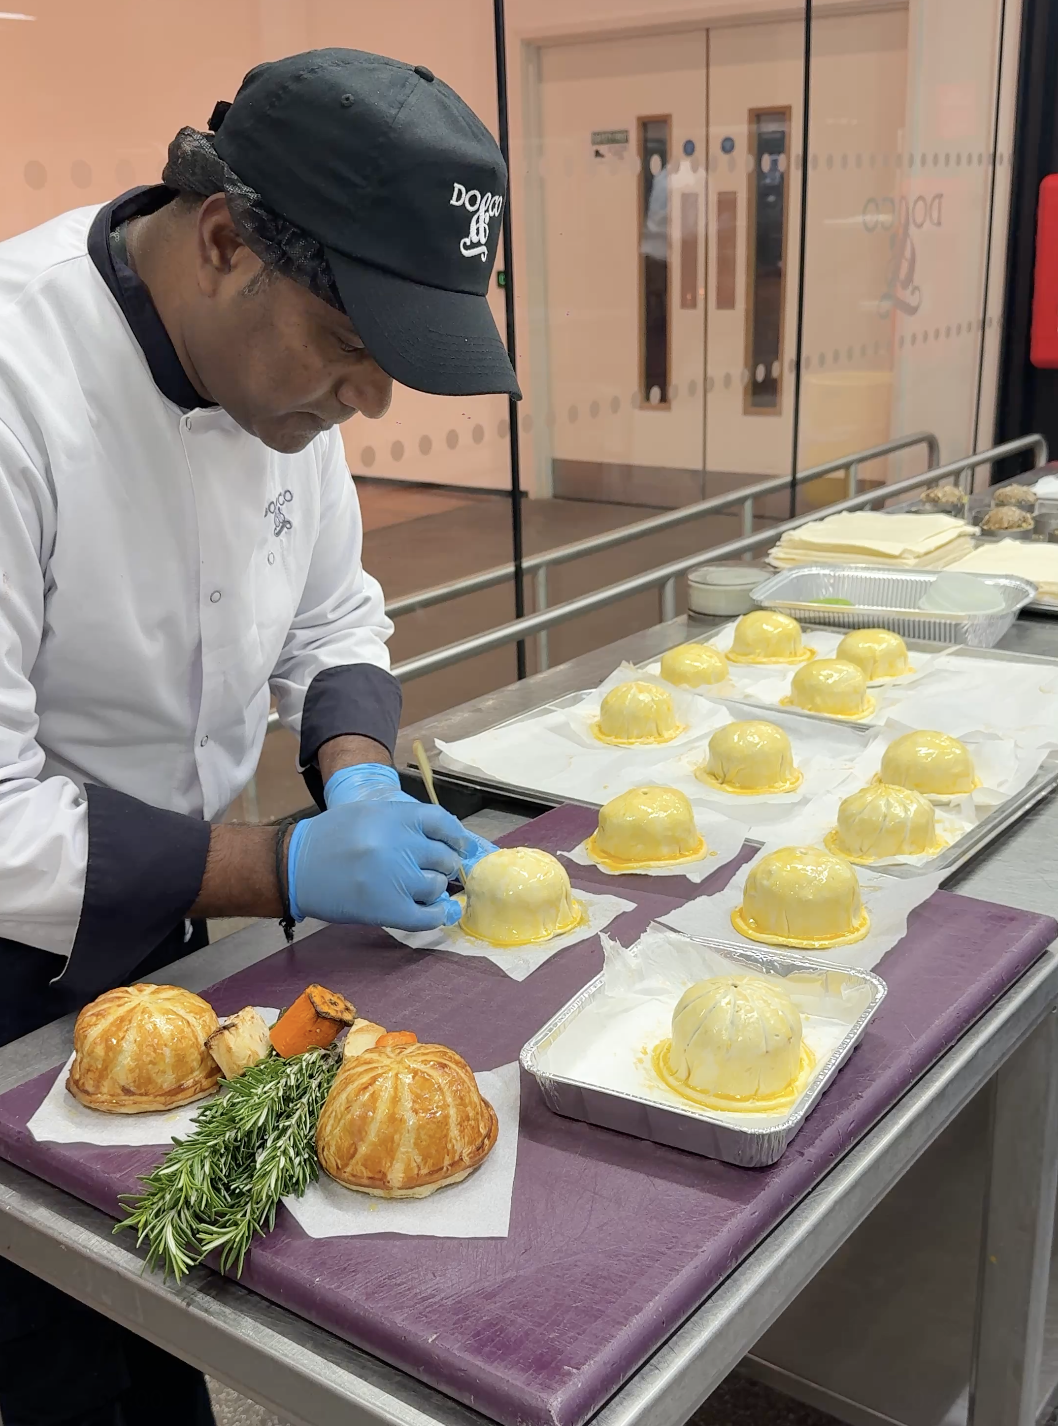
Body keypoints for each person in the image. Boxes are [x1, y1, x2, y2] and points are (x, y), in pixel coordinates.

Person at [0, 48, 519, 1425]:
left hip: (172, 921)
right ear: (226, 239)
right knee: (45, 1336)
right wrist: (283, 866)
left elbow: (334, 611)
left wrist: (357, 782)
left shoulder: (274, 379)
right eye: (352, 351)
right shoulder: (16, 386)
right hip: (10, 953)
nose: (371, 404)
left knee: (159, 1289)